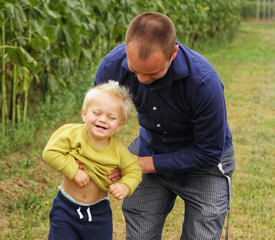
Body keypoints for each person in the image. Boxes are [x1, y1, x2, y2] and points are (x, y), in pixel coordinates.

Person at [94, 12, 236, 240]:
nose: (140, 79)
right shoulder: (112, 67)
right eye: (134, 69)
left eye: (152, 73)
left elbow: (209, 153)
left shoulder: (204, 82)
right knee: (140, 235)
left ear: (174, 53)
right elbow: (96, 122)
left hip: (205, 163)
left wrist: (141, 164)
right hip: (151, 146)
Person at [42, 80, 142, 240]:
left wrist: (125, 185)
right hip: (66, 208)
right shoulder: (72, 134)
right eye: (96, 113)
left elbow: (134, 170)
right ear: (84, 114)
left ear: (119, 125)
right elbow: (50, 152)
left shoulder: (118, 151)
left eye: (111, 117)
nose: (102, 120)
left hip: (98, 213)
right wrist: (74, 171)